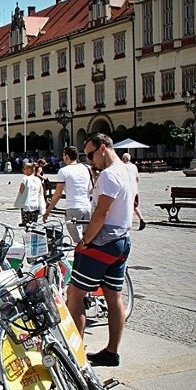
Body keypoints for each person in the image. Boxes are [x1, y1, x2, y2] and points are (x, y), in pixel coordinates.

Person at [66, 133, 134, 368]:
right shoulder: (128, 169)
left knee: (75, 294)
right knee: (114, 296)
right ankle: (112, 352)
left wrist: (85, 240)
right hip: (122, 240)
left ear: (103, 148)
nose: (90, 160)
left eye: (91, 154)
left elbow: (101, 213)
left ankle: (74, 354)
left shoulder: (108, 175)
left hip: (102, 242)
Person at [43, 146, 93, 225]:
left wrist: (47, 211)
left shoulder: (63, 171)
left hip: (73, 207)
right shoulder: (87, 168)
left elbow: (58, 194)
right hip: (87, 207)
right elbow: (91, 189)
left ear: (66, 156)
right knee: (86, 236)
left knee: (76, 237)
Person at [121, 153, 147, 230]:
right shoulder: (134, 166)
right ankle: (141, 219)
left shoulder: (122, 167)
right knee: (134, 206)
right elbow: (137, 178)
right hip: (134, 189)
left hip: (127, 189)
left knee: (126, 206)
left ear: (123, 159)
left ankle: (126, 222)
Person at [16, 161, 45, 226]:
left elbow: (21, 190)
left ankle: (27, 235)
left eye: (24, 169)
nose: (23, 170)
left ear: (29, 170)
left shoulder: (25, 179)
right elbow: (41, 192)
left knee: (26, 225)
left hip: (26, 205)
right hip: (35, 204)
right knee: (33, 224)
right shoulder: (38, 179)